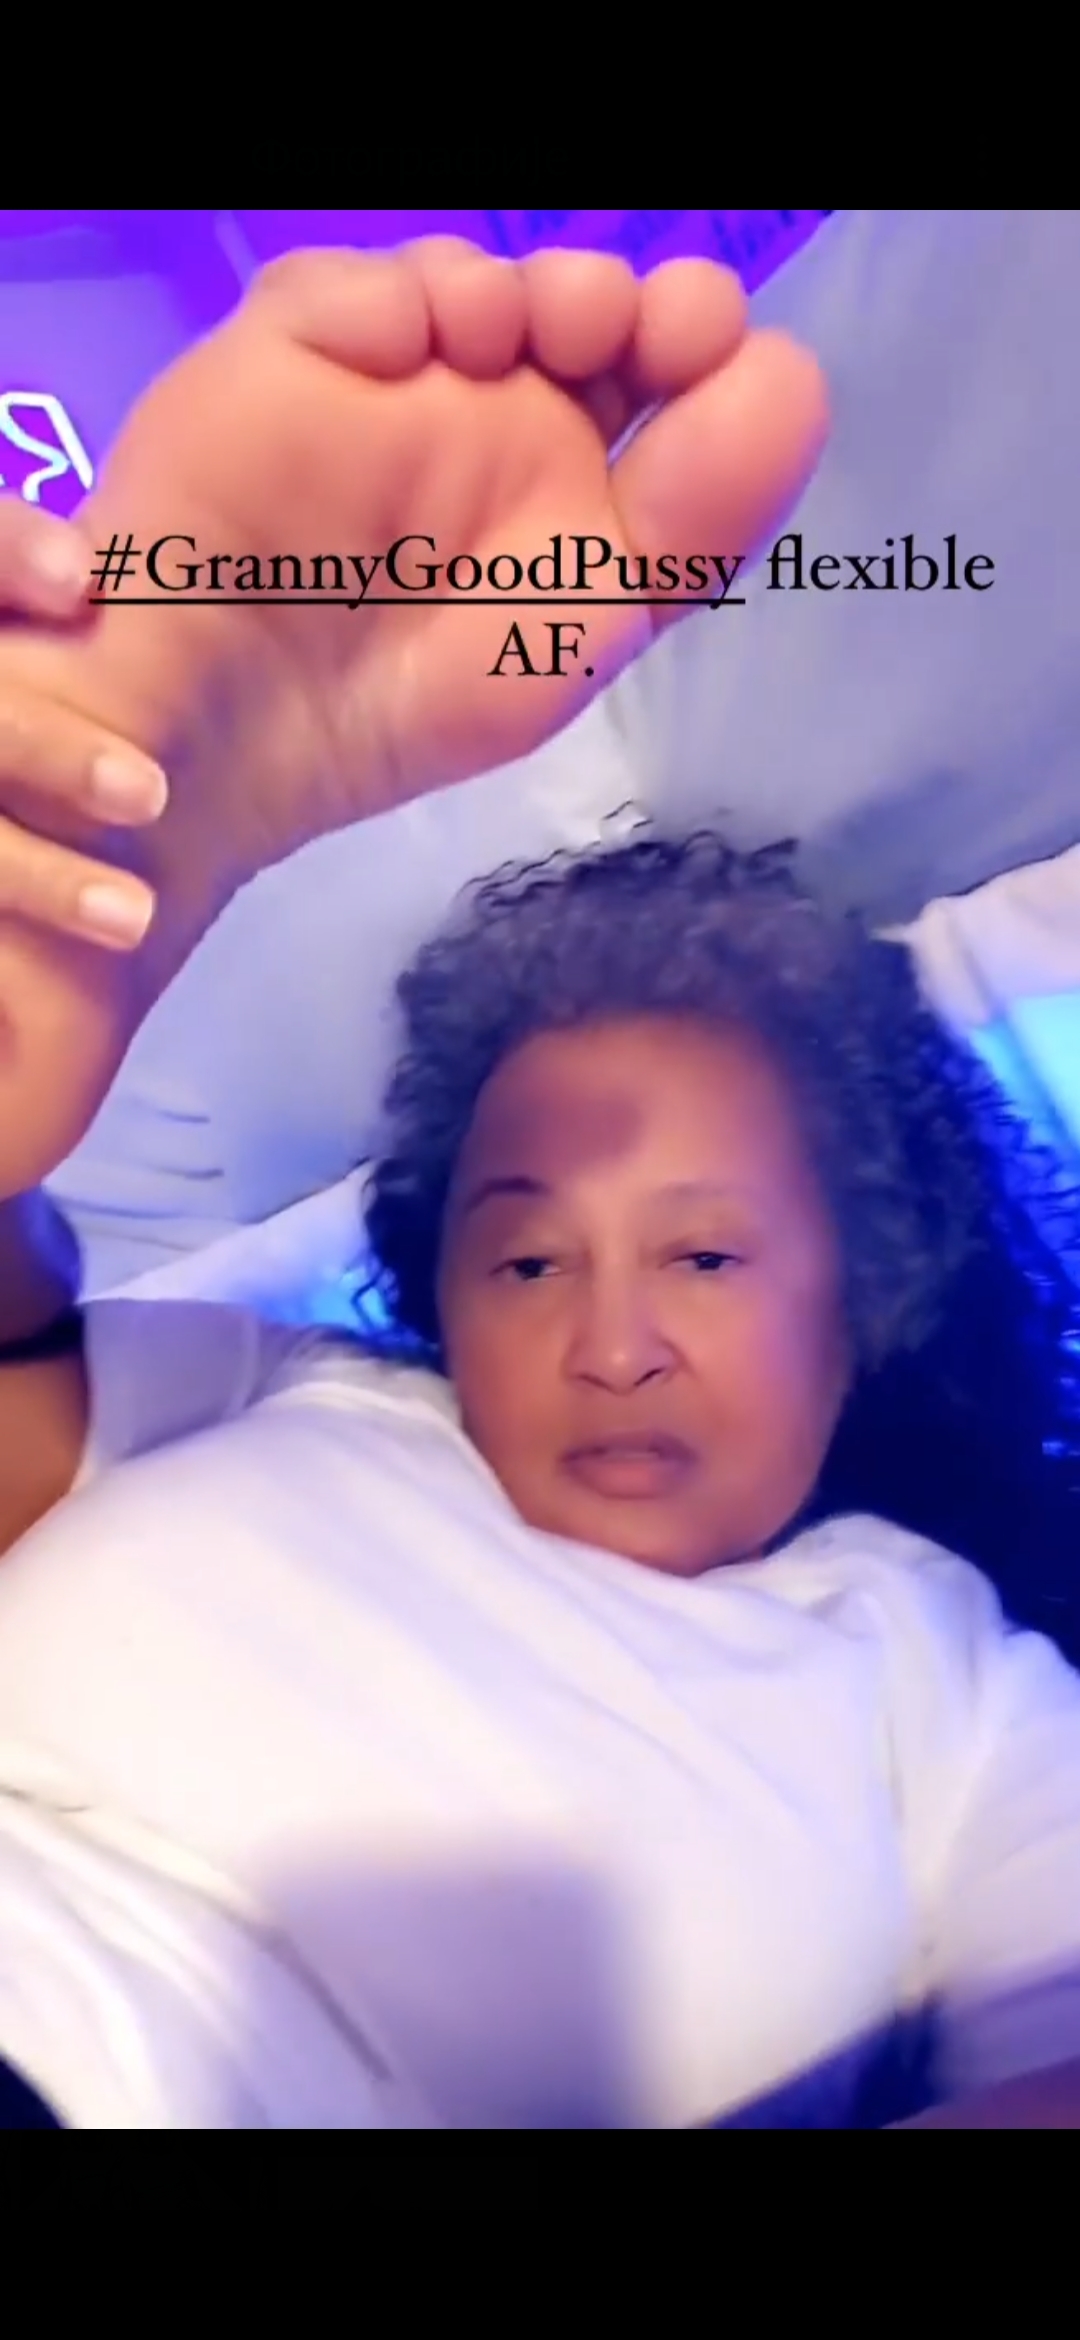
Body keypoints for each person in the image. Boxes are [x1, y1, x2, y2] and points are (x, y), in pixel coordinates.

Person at [1, 242, 1080, 2129]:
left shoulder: (946, 1690)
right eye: (522, 1264)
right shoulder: (302, 1392)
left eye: (706, 1256)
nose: (610, 1345)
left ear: (867, 1305)